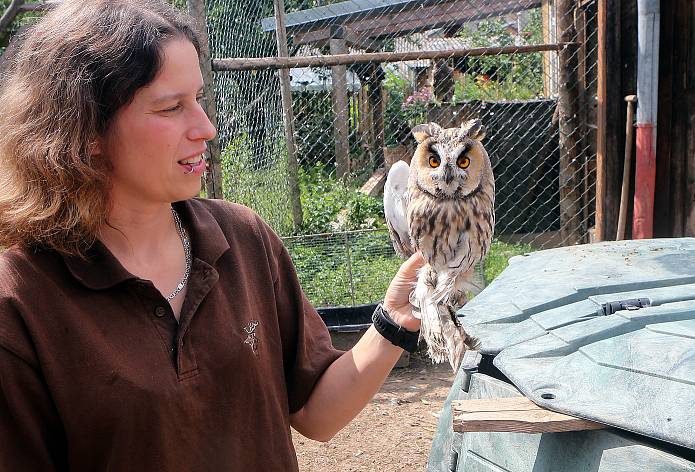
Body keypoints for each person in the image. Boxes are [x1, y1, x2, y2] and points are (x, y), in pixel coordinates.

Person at [0, 1, 425, 470]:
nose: (206, 128)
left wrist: (393, 322)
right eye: (171, 107)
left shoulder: (241, 240)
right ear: (84, 131)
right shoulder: (21, 298)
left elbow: (314, 414)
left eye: (199, 99)